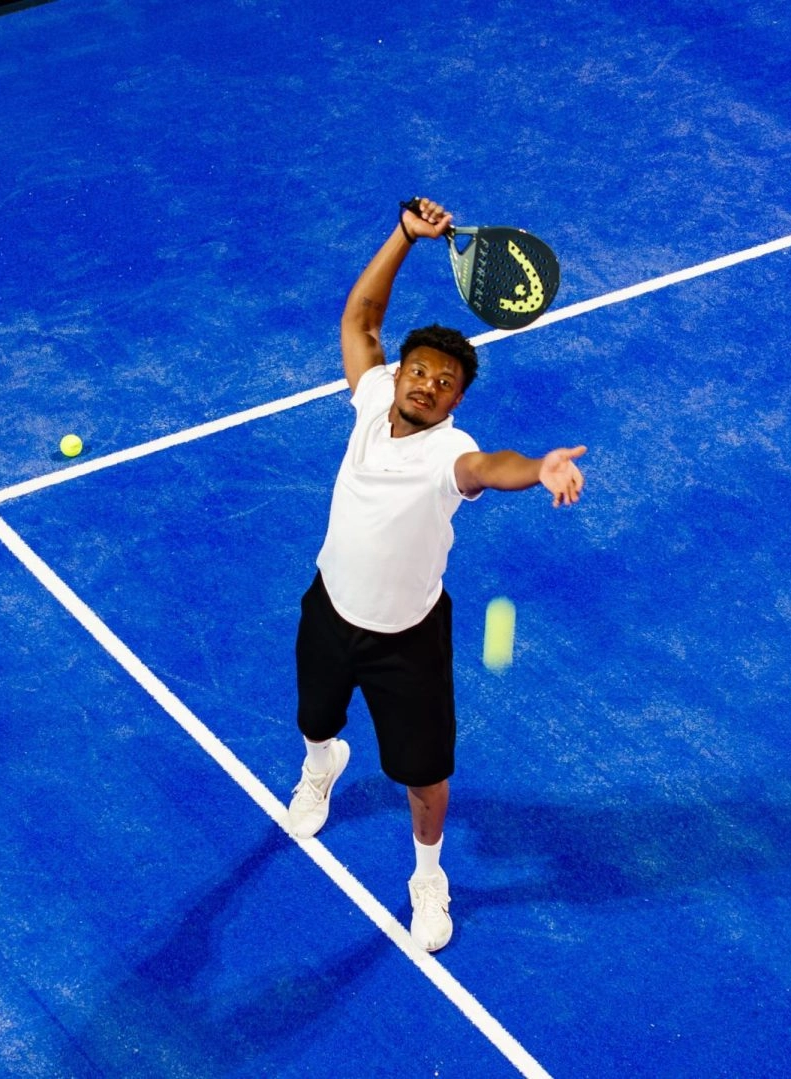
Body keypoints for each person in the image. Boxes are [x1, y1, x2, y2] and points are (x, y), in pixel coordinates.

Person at [284, 196, 586, 953]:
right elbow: (361, 318)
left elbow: (491, 467)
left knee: (424, 774)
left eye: (444, 382)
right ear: (400, 373)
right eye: (418, 370)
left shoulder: (451, 454)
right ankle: (322, 764)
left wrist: (539, 466)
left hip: (407, 643)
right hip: (329, 608)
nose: (426, 385)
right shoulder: (372, 395)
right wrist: (403, 238)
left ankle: (427, 873)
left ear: (458, 399)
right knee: (316, 719)